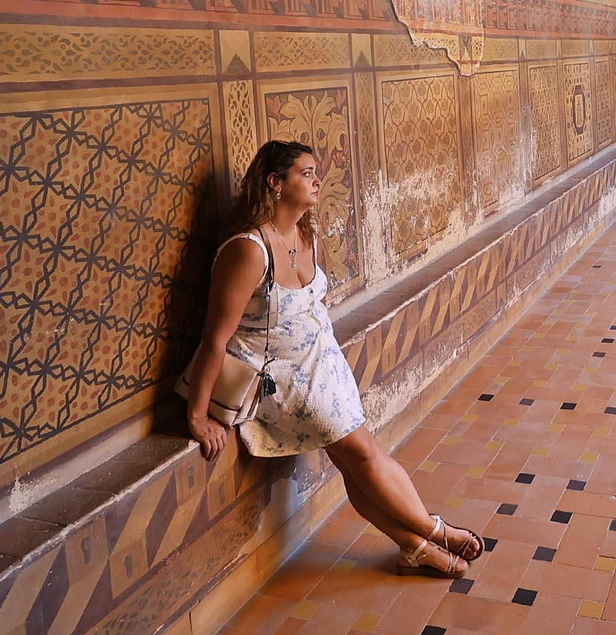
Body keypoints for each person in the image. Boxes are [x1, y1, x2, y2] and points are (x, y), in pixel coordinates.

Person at [183, 140, 483, 577]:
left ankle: (415, 548)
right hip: (283, 379)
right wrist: (197, 417)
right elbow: (215, 338)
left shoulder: (306, 231)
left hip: (322, 363)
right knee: (363, 455)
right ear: (275, 183)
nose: (317, 180)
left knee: (354, 462)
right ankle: (437, 530)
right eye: (306, 173)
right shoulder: (247, 250)